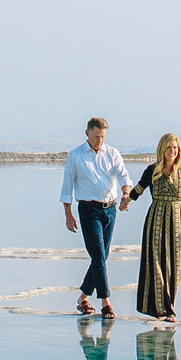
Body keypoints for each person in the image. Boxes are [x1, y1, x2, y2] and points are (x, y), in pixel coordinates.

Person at [59, 117, 135, 318]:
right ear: (87, 133)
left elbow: (124, 177)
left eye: (102, 137)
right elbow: (67, 186)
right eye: (96, 136)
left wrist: (126, 194)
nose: (99, 141)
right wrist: (68, 213)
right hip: (88, 210)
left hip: (110, 210)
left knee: (102, 256)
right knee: (99, 256)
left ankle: (83, 297)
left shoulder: (112, 153)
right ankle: (105, 302)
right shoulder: (75, 156)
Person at [123, 133, 181, 322]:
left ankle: (168, 304)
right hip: (156, 222)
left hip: (177, 222)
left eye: (175, 148)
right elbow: (139, 189)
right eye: (169, 148)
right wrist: (126, 201)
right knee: (156, 264)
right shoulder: (152, 170)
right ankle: (165, 309)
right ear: (162, 149)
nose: (172, 151)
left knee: (176, 265)